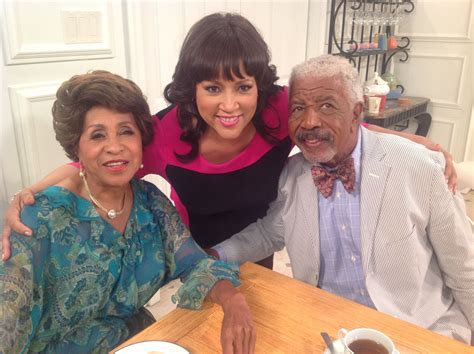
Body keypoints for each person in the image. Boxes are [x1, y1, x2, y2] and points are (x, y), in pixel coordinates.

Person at [1, 13, 456, 267]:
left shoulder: (277, 109)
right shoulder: (163, 133)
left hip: (260, 243)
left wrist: (421, 147)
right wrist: (30, 193)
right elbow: (94, 166)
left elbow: (338, 127)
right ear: (191, 88)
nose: (230, 105)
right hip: (194, 251)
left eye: (243, 86)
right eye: (213, 88)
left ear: (259, 87)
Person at [212, 55, 474, 344]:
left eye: (327, 106)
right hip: (329, 331)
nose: (310, 121)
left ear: (356, 113)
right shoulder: (292, 176)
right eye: (299, 108)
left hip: (418, 330)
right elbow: (268, 233)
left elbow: (465, 268)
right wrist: (213, 255)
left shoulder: (420, 169)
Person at [0, 71, 256, 353]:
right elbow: (7, 325)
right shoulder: (41, 218)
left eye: (126, 131)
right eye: (98, 135)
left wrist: (234, 300)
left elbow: (194, 262)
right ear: (76, 147)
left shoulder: (151, 201)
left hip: (143, 342)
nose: (115, 146)